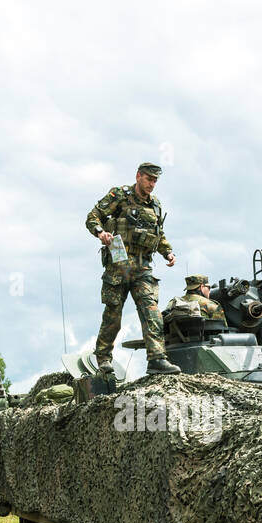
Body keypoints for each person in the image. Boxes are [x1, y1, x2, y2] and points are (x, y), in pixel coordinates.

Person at [85, 161, 181, 375]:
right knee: (113, 315)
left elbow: (159, 233)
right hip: (119, 264)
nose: (152, 184)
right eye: (149, 179)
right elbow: (92, 216)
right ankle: (103, 359)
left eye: (155, 180)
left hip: (142, 267)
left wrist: (167, 252)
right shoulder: (119, 195)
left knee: (151, 312)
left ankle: (156, 359)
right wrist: (101, 233)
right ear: (138, 176)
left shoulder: (155, 204)